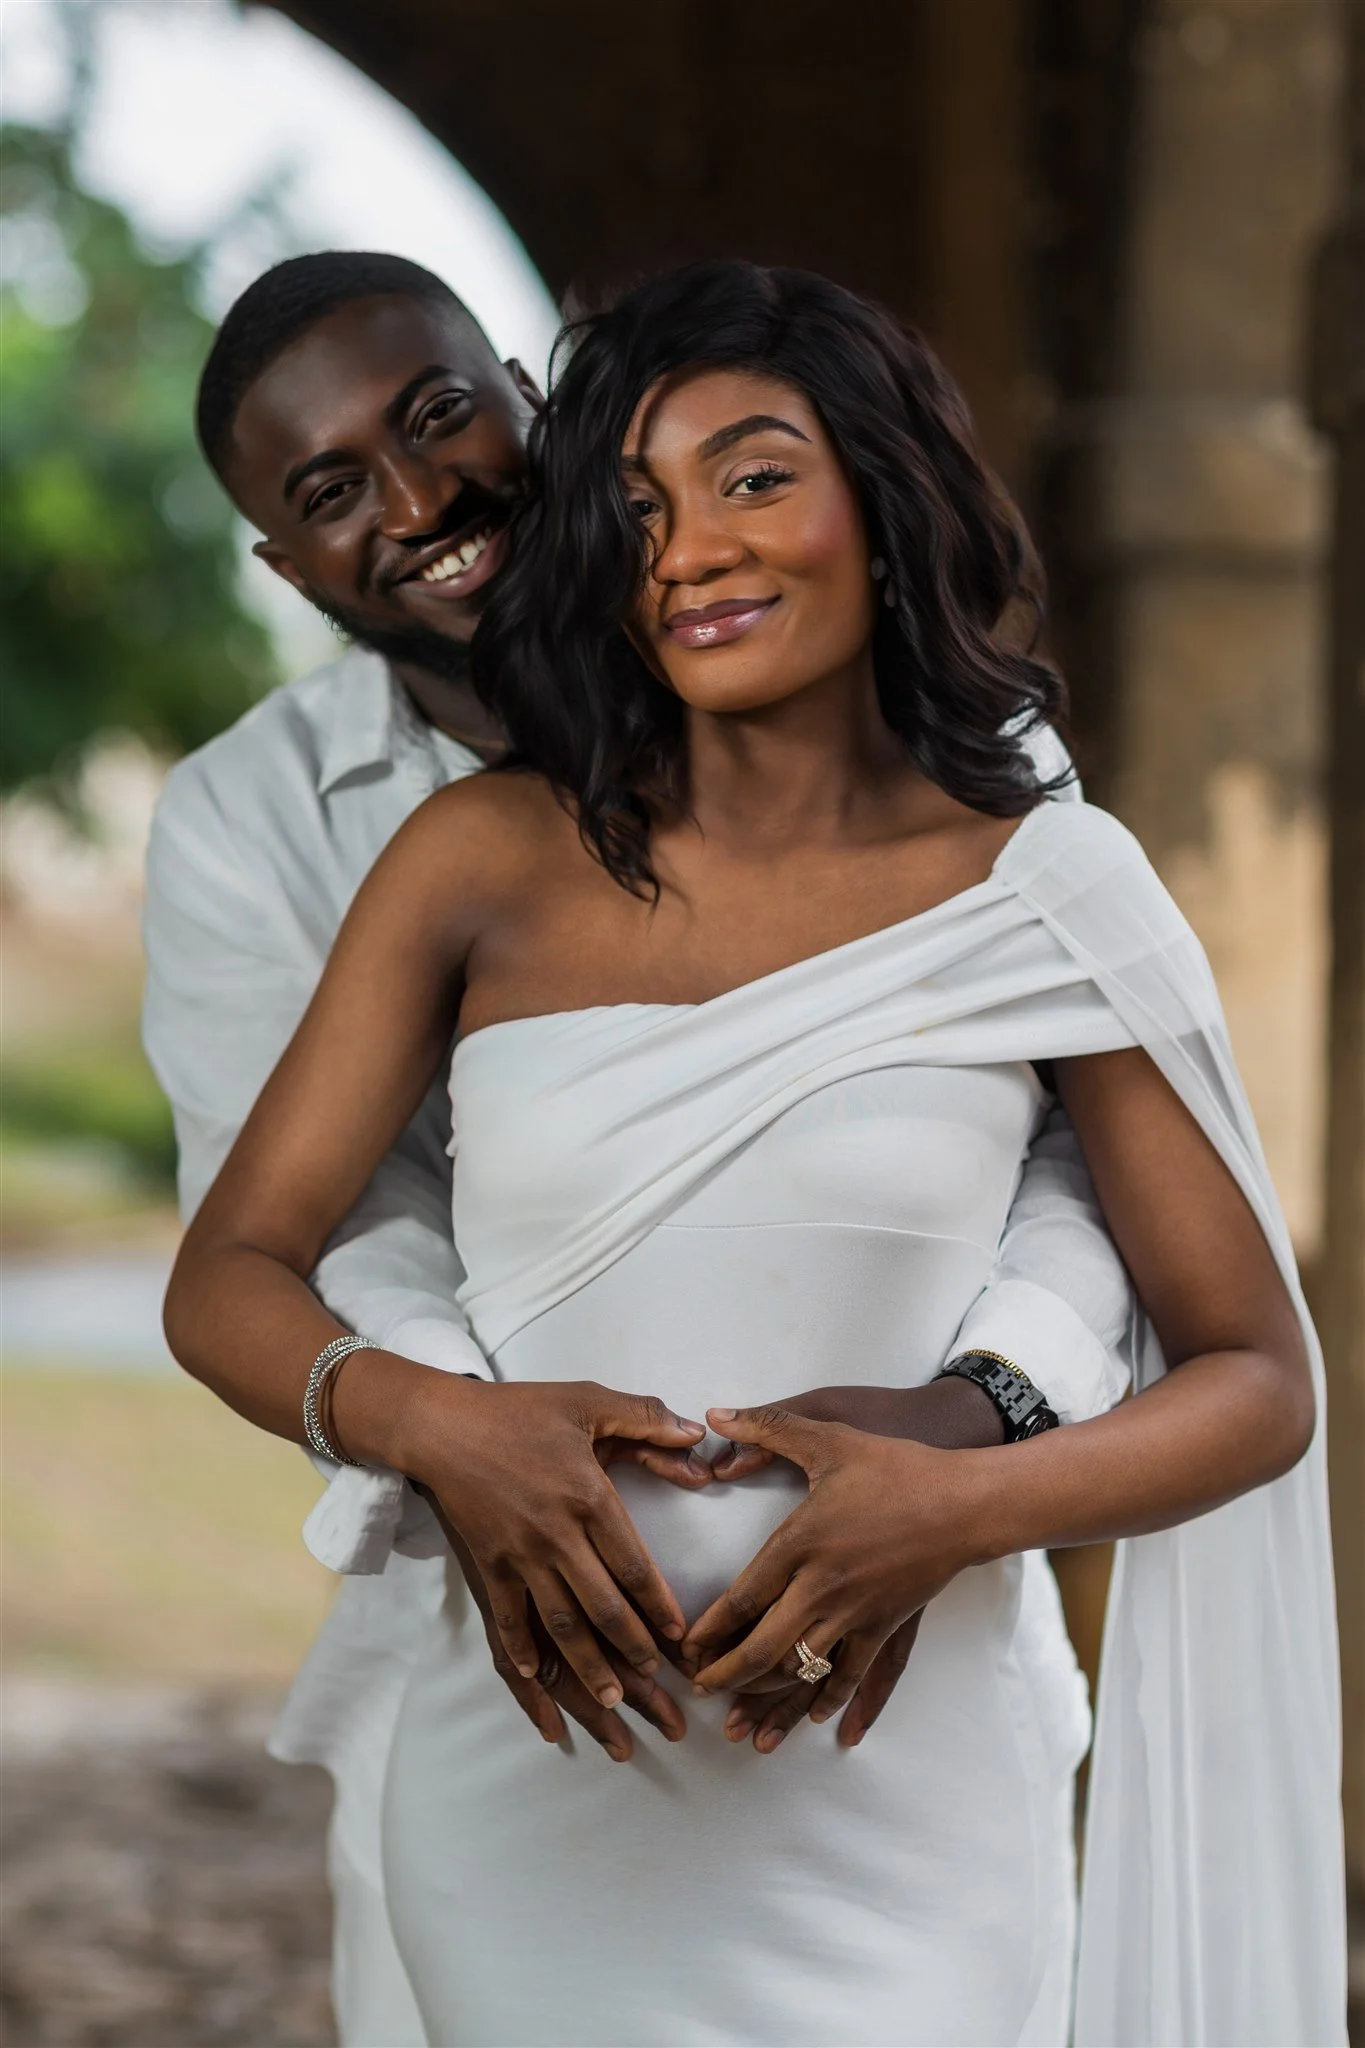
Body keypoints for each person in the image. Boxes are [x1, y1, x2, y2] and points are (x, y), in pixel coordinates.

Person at [161, 260, 1344, 2046]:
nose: (695, 547)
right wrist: (448, 1426)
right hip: (539, 1757)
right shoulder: (464, 861)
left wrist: (968, 1480)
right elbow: (253, 1264)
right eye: (640, 510)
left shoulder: (1035, 866)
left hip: (911, 1771)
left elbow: (1240, 1355)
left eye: (758, 476)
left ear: (878, 484)